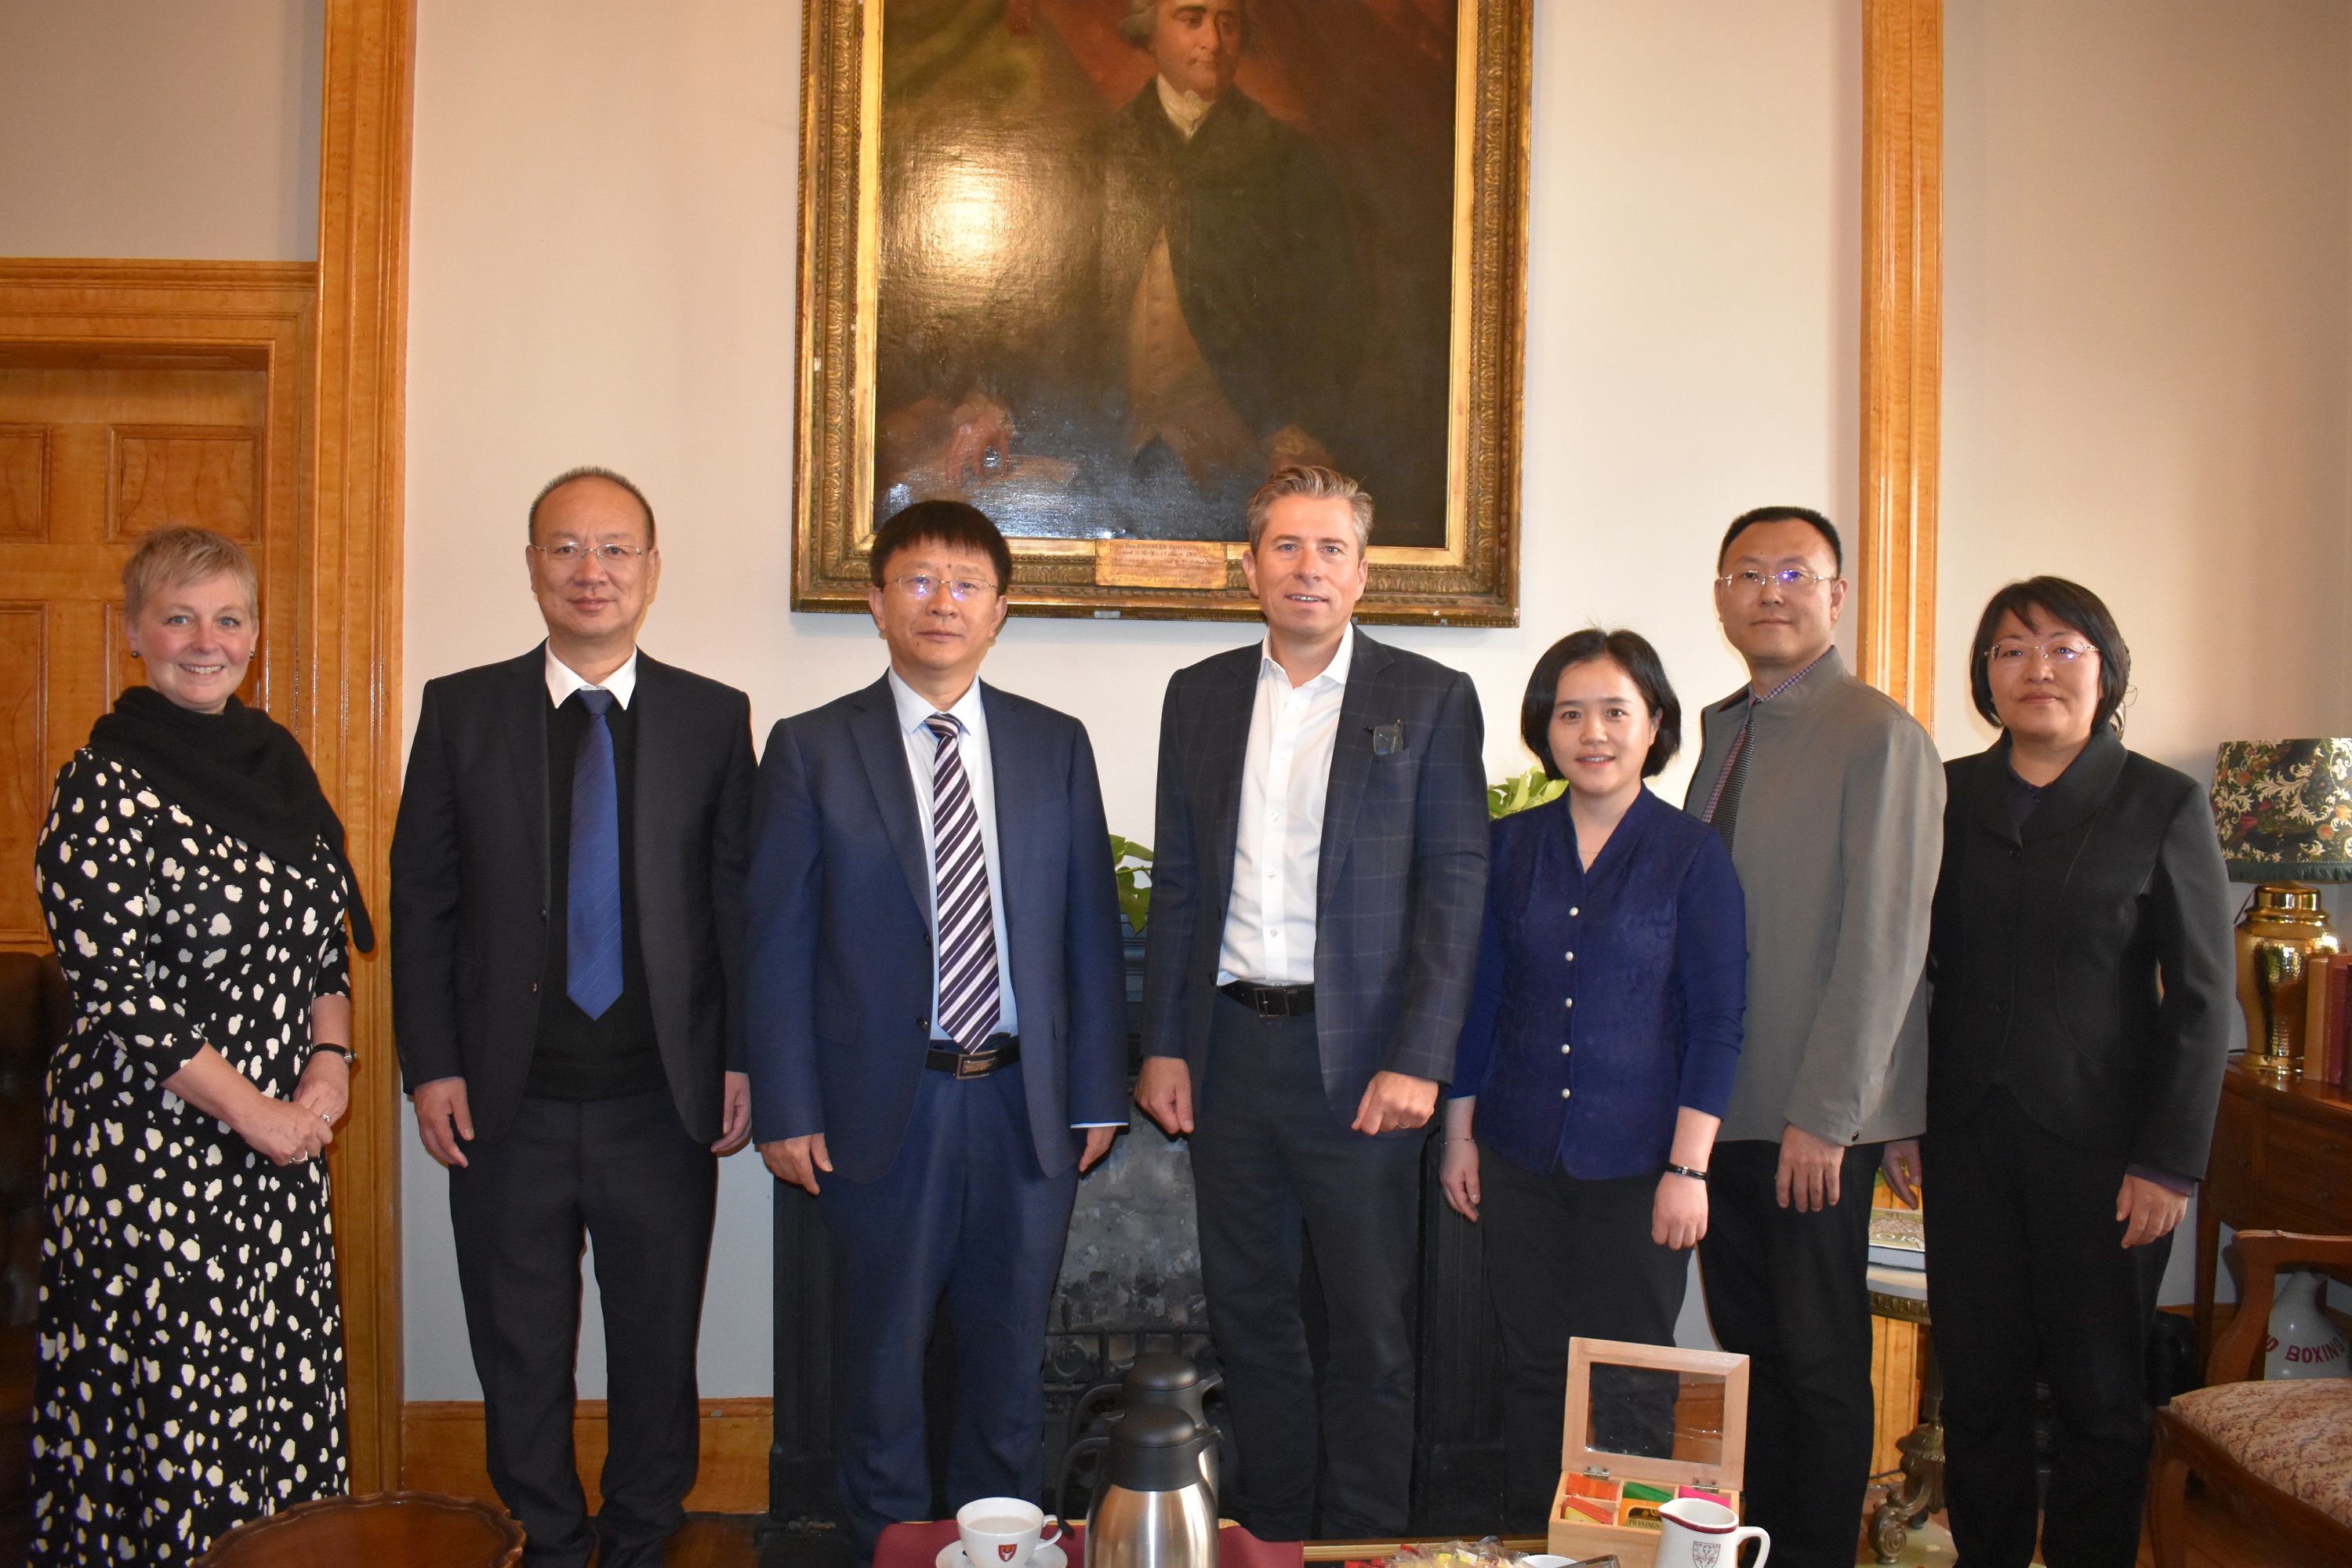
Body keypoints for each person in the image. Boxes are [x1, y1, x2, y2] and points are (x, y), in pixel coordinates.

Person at [744, 500, 1127, 1557]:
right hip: (882, 1109)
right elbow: (775, 945)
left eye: (966, 584)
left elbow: (1089, 933)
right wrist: (786, 1106)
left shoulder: (1054, 744)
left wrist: (1098, 1091)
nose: (942, 602)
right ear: (877, 603)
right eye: (918, 580)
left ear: (999, 609)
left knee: (1007, 1370)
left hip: (1022, 1105)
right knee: (881, 1370)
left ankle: (996, 1552)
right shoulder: (812, 748)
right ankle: (891, 1550)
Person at [390, 468, 754, 1568]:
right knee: (521, 1351)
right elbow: (423, 900)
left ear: (650, 569)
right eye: (564, 548)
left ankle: (642, 1537)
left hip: (662, 1098)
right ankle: (544, 1540)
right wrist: (429, 1065)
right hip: (506, 1103)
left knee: (656, 1346)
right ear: (532, 566)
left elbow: (737, 903)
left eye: (614, 549)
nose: (590, 571)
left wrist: (743, 1058)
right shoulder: (461, 709)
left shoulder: (712, 716)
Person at [1137, 465, 1487, 1539]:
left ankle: (1363, 1542)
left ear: (1363, 572)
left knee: (1370, 1327)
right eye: (1286, 546)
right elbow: (1180, 882)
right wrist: (1162, 1044)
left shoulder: (1430, 698)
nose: (1308, 567)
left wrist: (1421, 1056)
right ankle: (1278, 1535)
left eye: (1331, 548)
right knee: (1251, 1315)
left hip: (1366, 1063)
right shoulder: (1198, 695)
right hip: (1230, 1053)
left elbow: (1455, 888)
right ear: (1250, 569)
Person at [33, 526, 372, 1562]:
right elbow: (120, 992)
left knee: (275, 1387)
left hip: (279, 1148)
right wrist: (256, 1111)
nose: (205, 640)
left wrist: (330, 1064)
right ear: (135, 633)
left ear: (255, 634)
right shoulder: (101, 783)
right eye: (178, 617)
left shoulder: (280, 765)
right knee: (181, 1404)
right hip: (154, 1151)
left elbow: (322, 943)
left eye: (227, 618)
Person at [1881, 578, 2230, 1567]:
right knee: (1978, 1388)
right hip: (1965, 1138)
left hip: (2108, 1152)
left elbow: (2203, 996)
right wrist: (1900, 1111)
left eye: (2063, 646)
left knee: (2099, 1394)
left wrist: (2169, 1162)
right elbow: (1906, 968)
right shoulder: (1945, 793)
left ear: (2105, 669)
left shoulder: (2161, 800)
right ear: (1985, 676)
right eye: (2011, 649)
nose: (2037, 668)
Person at [1680, 506, 1942, 1568]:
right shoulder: (1723, 731)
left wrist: (1828, 1116)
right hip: (1723, 1109)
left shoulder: (1878, 735)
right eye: (1749, 573)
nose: (1771, 592)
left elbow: (1887, 941)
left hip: (1810, 1116)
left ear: (1838, 596)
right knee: (1755, 1354)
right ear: (1721, 598)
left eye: (1796, 573)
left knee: (1820, 1362)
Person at [1439, 628, 1746, 1530]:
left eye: (1616, 710)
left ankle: (1625, 1549)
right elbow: (1480, 998)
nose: (1594, 731)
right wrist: (1459, 1135)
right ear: (1545, 728)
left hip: (1642, 1165)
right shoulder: (1509, 846)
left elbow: (1718, 1022)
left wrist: (1689, 1169)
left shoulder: (1693, 855)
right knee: (1534, 1367)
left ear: (1655, 724)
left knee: (1632, 1373)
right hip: (1519, 1152)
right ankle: (1541, 1542)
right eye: (1570, 713)